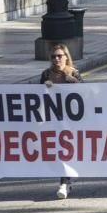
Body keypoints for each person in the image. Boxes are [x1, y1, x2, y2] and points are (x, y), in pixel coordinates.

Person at [40, 44, 82, 200]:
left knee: (67, 150)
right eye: (53, 56)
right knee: (59, 151)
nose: (56, 59)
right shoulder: (46, 74)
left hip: (71, 121)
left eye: (59, 56)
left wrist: (74, 82)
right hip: (53, 119)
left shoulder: (74, 73)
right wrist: (45, 87)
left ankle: (65, 182)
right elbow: (37, 97)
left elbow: (87, 93)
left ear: (66, 57)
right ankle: (65, 180)